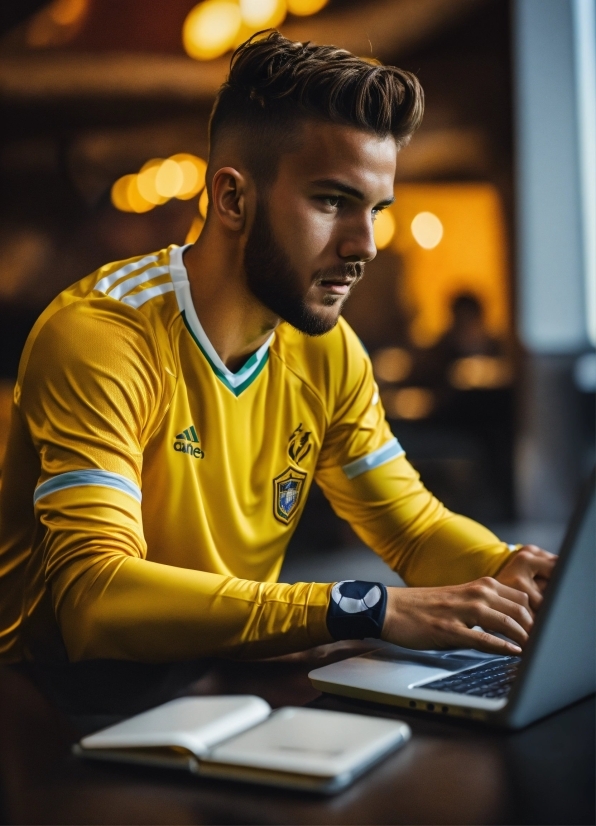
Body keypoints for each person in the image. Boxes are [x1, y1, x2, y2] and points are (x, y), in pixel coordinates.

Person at [0, 32, 555, 665]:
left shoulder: (328, 350)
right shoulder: (102, 336)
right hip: (58, 708)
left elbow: (414, 529)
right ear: (232, 198)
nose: (365, 245)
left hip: (216, 677)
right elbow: (94, 600)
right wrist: (364, 607)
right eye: (332, 201)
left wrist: (514, 572)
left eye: (375, 209)